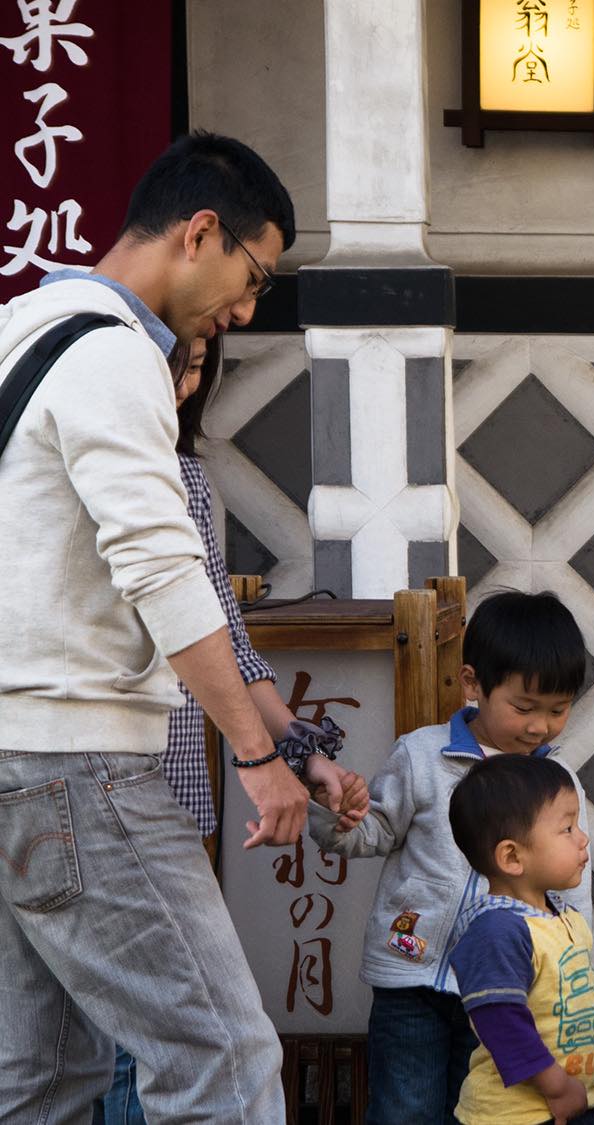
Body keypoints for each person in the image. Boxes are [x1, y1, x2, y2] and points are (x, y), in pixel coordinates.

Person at [0, 131, 308, 1123]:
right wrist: (257, 754)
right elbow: (163, 567)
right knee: (224, 1064)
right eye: (253, 275)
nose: (247, 308)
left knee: (40, 1080)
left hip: (14, 755)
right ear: (201, 232)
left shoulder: (23, 326)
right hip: (77, 765)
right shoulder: (114, 351)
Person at [93, 336, 371, 1123]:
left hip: (169, 786)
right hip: (92, 778)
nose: (181, 388)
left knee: (130, 1040)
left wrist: (299, 750)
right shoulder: (78, 464)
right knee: (153, 1039)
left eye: (194, 373)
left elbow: (227, 639)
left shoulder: (185, 475)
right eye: (173, 365)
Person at [311, 590, 594, 1125]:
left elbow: (572, 893)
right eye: (524, 707)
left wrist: (576, 981)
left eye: (558, 710)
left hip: (505, 987)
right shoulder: (422, 755)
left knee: (482, 1109)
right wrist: (338, 814)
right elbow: (369, 834)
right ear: (472, 685)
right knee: (404, 1108)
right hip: (411, 978)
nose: (540, 727)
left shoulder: (559, 785)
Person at [447, 754, 594, 1125]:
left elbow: (582, 987)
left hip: (570, 1100)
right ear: (512, 856)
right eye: (568, 828)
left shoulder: (564, 918)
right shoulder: (497, 930)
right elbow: (500, 1019)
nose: (583, 837)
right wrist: (557, 1087)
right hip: (513, 1116)